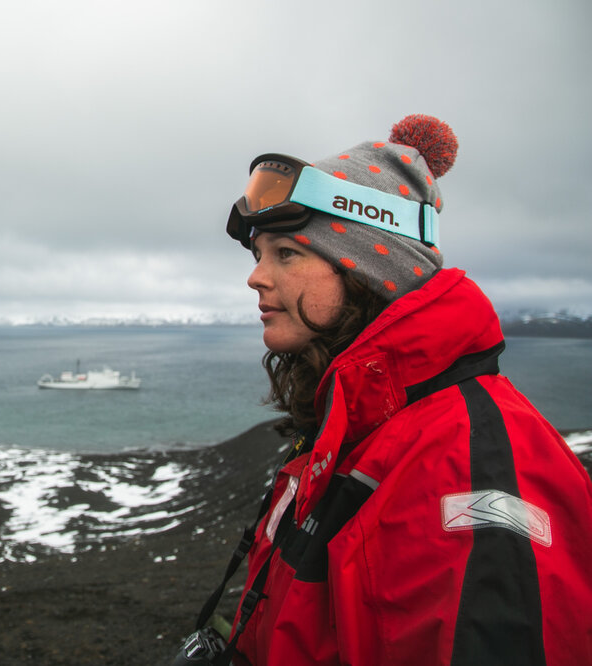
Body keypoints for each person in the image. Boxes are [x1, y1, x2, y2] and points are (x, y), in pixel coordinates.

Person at [201, 115, 592, 665]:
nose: (255, 277)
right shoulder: (357, 425)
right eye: (258, 254)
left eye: (285, 253)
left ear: (367, 270)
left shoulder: (464, 466)